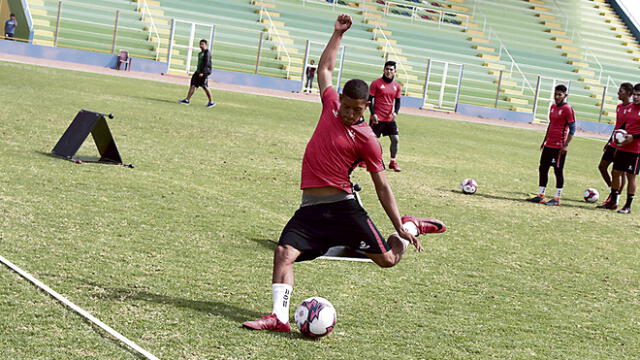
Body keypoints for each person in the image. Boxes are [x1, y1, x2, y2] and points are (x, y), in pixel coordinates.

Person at [241, 14, 446, 333]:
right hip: (310, 209)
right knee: (283, 253)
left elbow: (382, 187)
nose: (349, 113)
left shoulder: (367, 139)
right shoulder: (330, 104)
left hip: (344, 209)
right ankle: (279, 319)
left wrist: (397, 225)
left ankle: (411, 226)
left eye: (357, 109)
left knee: (388, 260)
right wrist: (337, 34)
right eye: (346, 107)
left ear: (366, 106)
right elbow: (325, 70)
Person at [526, 84, 576, 206]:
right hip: (549, 145)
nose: (557, 96)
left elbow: (573, 128)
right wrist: (544, 141)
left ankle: (557, 198)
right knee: (543, 169)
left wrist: (566, 145)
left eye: (560, 94)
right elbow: (551, 125)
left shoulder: (568, 109)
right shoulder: (553, 107)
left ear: (565, 95)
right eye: (556, 94)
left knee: (558, 171)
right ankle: (541, 195)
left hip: (559, 147)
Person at [599, 83, 640, 214]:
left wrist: (633, 136)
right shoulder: (629, 108)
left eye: (639, 95)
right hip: (622, 147)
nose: (636, 97)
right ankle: (613, 201)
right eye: (634, 94)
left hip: (636, 149)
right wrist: (615, 138)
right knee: (615, 172)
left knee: (630, 176)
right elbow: (622, 126)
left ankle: (628, 206)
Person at [369, 61, 402, 172]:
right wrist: (373, 114)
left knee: (395, 139)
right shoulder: (376, 83)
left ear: (395, 72)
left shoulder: (397, 86)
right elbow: (370, 100)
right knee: (371, 141)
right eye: (387, 69)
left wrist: (396, 112)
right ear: (383, 70)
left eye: (391, 69)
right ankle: (364, 160)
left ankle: (393, 162)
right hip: (377, 118)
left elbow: (397, 101)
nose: (389, 71)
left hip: (389, 119)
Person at [179, 39, 215, 108]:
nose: (201, 45)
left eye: (202, 44)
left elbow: (206, 63)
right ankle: (187, 100)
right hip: (198, 72)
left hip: (203, 73)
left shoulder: (207, 52)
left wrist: (203, 72)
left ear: (206, 45)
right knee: (193, 85)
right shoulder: (200, 53)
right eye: (200, 44)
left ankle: (211, 102)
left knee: (205, 86)